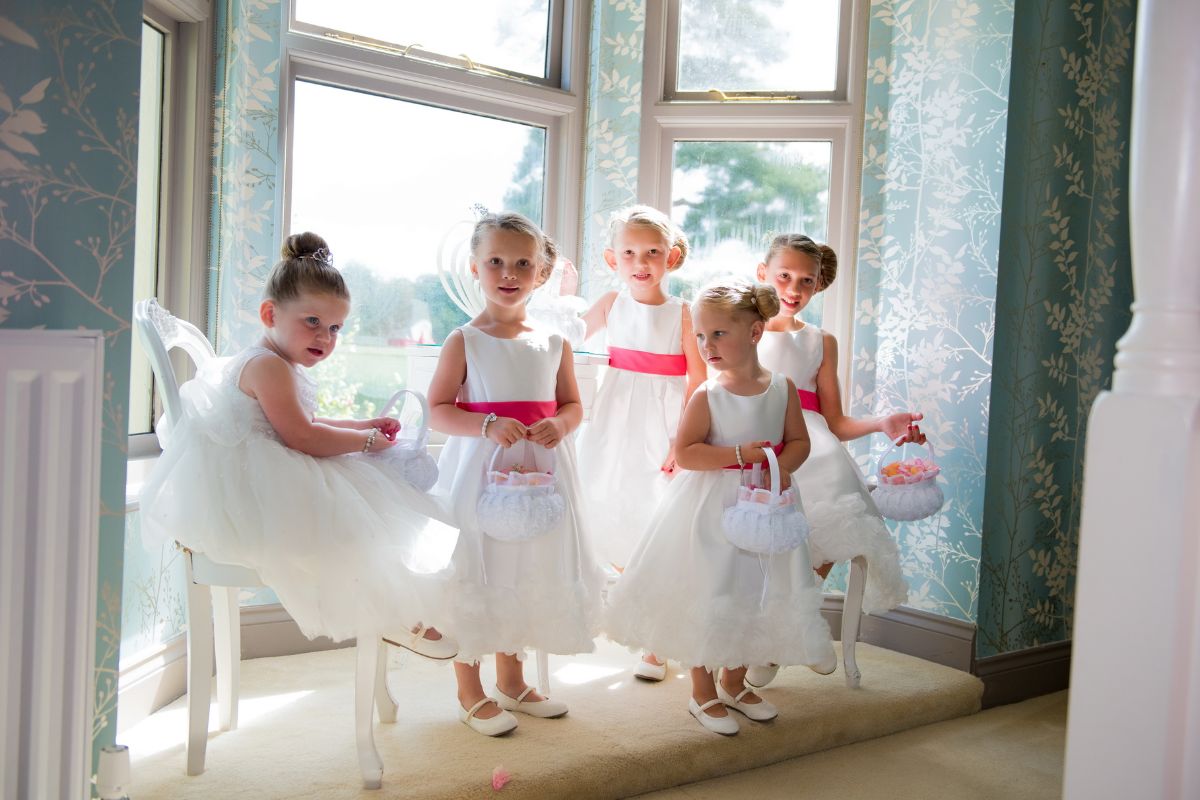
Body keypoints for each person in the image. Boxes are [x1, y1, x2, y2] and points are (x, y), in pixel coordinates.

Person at [140, 232, 457, 656]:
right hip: (254, 495)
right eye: (312, 321)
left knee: (374, 504)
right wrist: (363, 442)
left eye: (335, 328)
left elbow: (305, 422)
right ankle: (392, 614)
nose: (324, 337)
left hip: (267, 472)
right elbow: (302, 436)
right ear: (270, 313)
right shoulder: (268, 366)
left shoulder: (276, 362)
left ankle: (396, 609)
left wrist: (363, 424)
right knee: (362, 516)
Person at [604, 280, 836, 736]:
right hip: (712, 512)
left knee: (756, 592)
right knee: (712, 592)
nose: (706, 346)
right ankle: (702, 690)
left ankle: (735, 681)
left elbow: (799, 441)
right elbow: (688, 452)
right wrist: (738, 457)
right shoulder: (707, 394)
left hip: (766, 507)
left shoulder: (782, 388)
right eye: (701, 337)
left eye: (718, 335)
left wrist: (780, 468)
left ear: (753, 333)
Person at [425, 212, 605, 737]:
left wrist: (559, 425)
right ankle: (469, 688)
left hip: (543, 472)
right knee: (481, 569)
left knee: (525, 569)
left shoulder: (554, 341)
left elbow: (574, 405)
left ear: (541, 273)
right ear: (476, 269)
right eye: (496, 262)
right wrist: (484, 424)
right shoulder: (466, 339)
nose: (509, 273)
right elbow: (437, 409)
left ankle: (512, 678)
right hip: (481, 473)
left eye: (522, 263)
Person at [747, 234, 919, 688]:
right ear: (763, 273)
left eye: (806, 281)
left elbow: (836, 420)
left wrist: (883, 422)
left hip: (813, 442)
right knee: (759, 537)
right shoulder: (747, 327)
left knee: (830, 523)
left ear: (819, 286)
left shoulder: (822, 341)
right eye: (784, 276)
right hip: (760, 437)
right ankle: (762, 634)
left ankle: (787, 633)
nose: (793, 289)